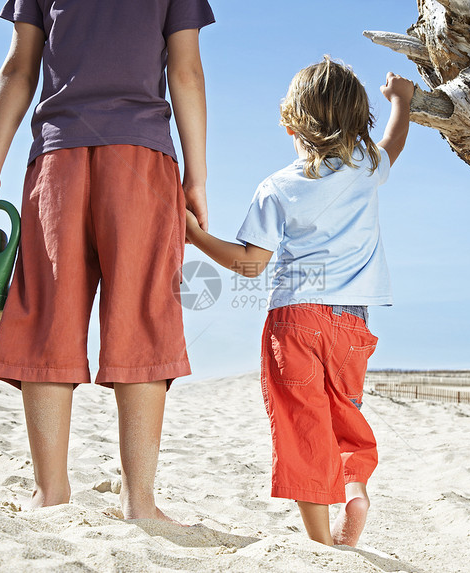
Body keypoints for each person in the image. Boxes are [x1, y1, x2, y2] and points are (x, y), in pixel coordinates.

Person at [0, 1, 214, 520]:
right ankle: (139, 501)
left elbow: (19, 67)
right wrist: (196, 178)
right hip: (142, 159)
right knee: (145, 312)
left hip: (59, 158)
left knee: (48, 314)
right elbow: (185, 71)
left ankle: (50, 493)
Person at [185, 56, 413, 546]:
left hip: (294, 319)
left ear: (289, 121)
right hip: (352, 323)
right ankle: (353, 487)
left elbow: (250, 263)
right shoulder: (367, 166)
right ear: (358, 122)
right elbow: (394, 141)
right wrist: (403, 102)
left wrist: (195, 235)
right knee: (343, 414)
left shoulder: (278, 188)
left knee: (301, 423)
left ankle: (319, 541)